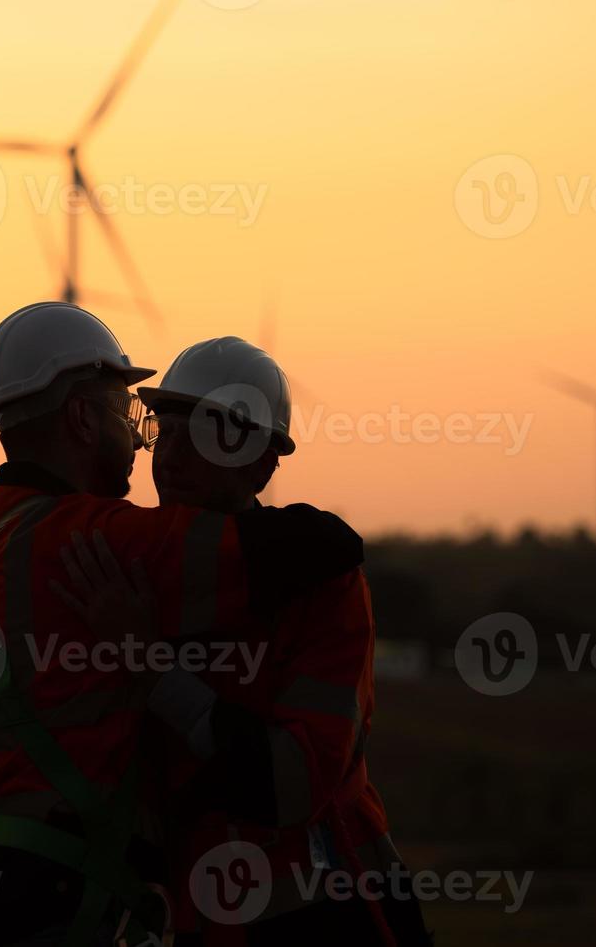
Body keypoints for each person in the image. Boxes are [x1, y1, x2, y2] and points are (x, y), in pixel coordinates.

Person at [0, 305, 366, 946]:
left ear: (261, 462)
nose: (156, 453)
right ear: (83, 418)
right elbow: (323, 541)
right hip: (53, 894)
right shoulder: (112, 545)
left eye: (196, 436)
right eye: (142, 421)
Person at [56, 337, 433, 946]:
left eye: (203, 434)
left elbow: (292, 785)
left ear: (261, 464)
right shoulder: (127, 574)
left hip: (323, 911)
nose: (169, 457)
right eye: (164, 428)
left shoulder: (325, 589)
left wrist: (151, 670)